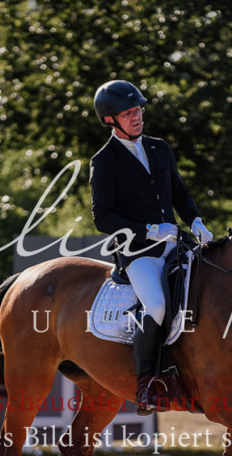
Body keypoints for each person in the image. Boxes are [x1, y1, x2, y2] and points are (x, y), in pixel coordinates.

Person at [89, 79, 213, 414]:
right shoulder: (104, 161)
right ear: (110, 120)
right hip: (137, 253)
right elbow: (103, 217)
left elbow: (181, 195)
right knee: (157, 305)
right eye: (128, 113)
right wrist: (148, 230)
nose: (137, 117)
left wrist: (196, 221)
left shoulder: (160, 148)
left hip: (175, 243)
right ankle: (146, 385)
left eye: (138, 110)